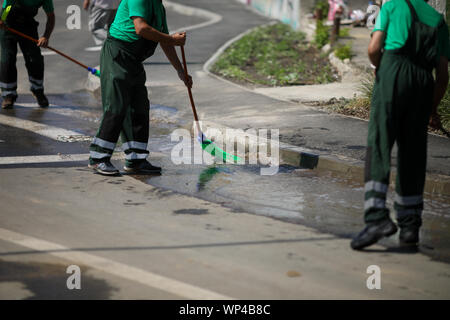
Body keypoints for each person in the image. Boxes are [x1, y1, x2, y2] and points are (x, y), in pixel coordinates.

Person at [351, 0, 449, 250]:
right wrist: (432, 109)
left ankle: (376, 219)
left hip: (394, 72)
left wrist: (378, 67)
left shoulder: (392, 6)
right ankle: (409, 226)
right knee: (413, 152)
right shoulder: (438, 20)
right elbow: (443, 75)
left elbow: (374, 48)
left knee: (380, 144)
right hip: (423, 82)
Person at [89, 0, 192, 176]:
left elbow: (164, 40)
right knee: (117, 106)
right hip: (118, 54)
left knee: (139, 107)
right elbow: (141, 28)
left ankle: (136, 160)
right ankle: (99, 158)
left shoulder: (158, 6)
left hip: (133, 60)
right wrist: (172, 39)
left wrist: (180, 71)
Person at [0, 0, 55, 109]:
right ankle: (8, 95)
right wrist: (2, 19)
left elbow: (51, 17)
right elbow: (7, 7)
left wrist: (45, 37)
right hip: (8, 25)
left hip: (27, 25)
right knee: (8, 59)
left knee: (34, 59)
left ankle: (38, 90)